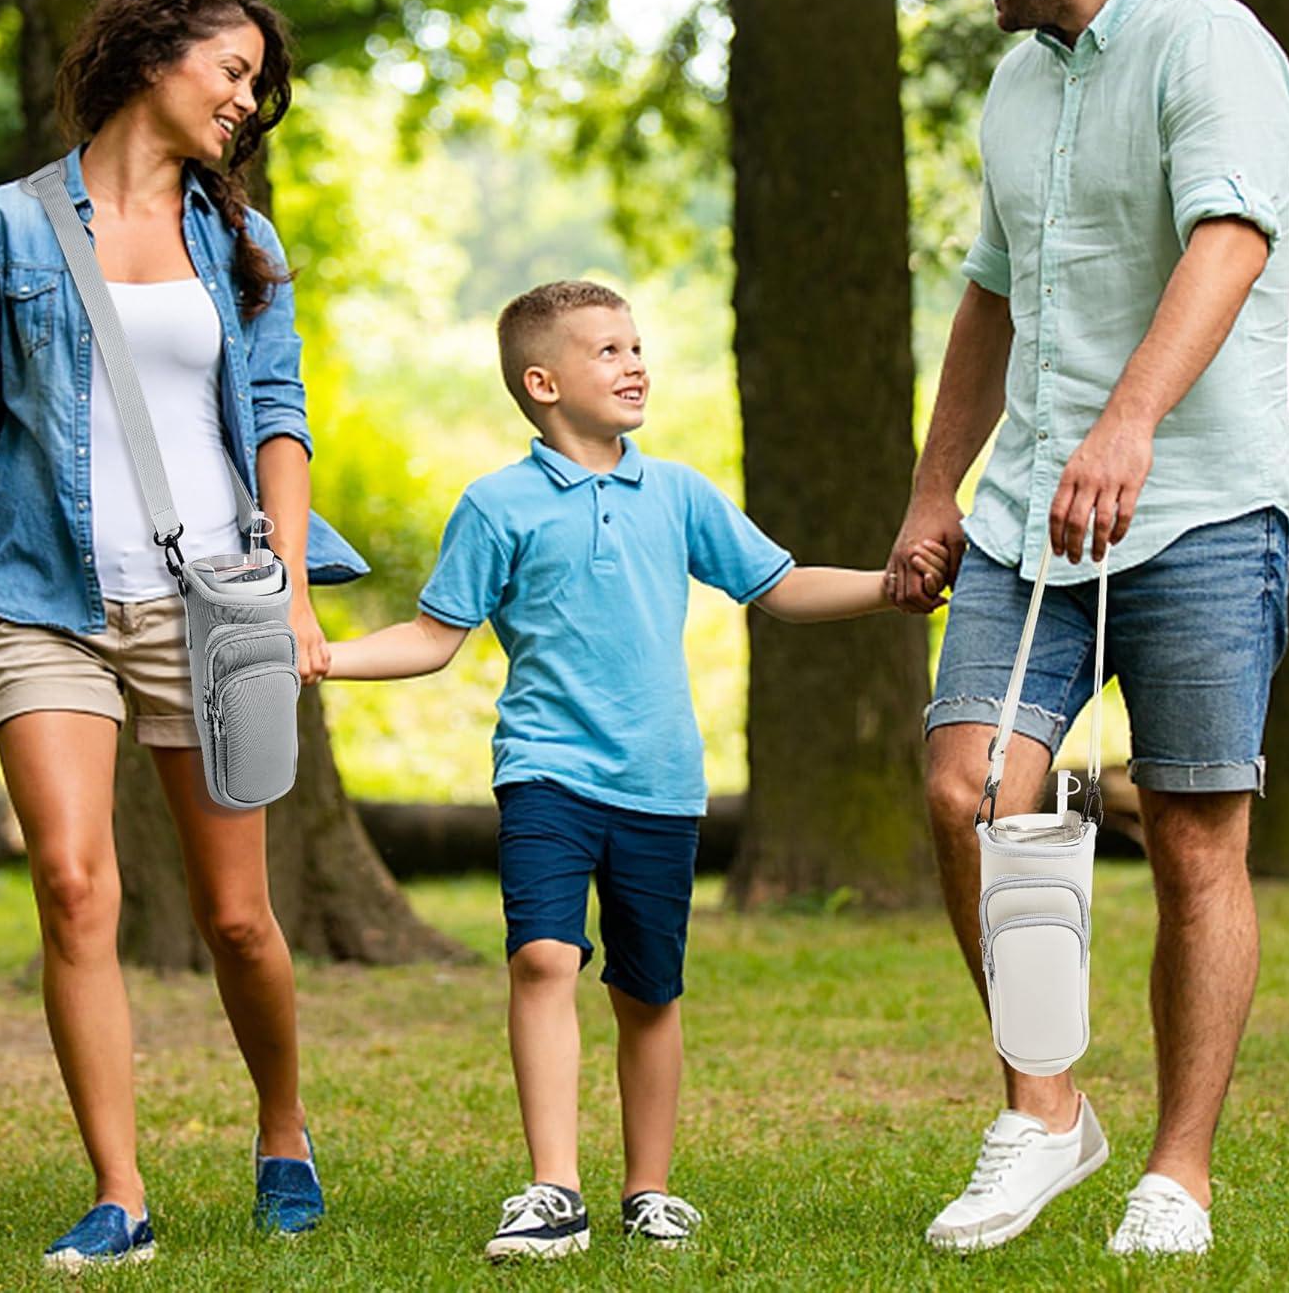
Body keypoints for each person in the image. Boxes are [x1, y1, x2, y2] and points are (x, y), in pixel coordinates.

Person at [884, 0, 1289, 1259]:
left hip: (1199, 507)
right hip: (1025, 522)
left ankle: (1175, 1175)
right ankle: (1048, 1112)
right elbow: (990, 299)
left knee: (1193, 838)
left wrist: (1129, 422)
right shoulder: (1016, 91)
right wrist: (939, 490)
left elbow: (1232, 241)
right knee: (965, 790)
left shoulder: (1211, 44)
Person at [327, 280, 948, 1260]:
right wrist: (323, 657)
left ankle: (648, 1191)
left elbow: (779, 587)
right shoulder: (497, 506)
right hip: (544, 774)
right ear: (543, 382)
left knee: (648, 992)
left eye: (636, 346)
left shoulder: (680, 494)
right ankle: (553, 1191)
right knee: (543, 955)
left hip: (660, 786)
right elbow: (429, 637)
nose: (634, 363)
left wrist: (888, 588)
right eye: (607, 350)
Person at [0, 0, 367, 1269]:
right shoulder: (4, 226)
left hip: (212, 605)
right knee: (69, 882)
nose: (244, 99)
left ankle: (282, 1126)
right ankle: (122, 1192)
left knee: (237, 916)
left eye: (255, 87)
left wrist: (281, 589)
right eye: (231, 70)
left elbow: (281, 426)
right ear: (152, 53)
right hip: (43, 598)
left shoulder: (243, 243)